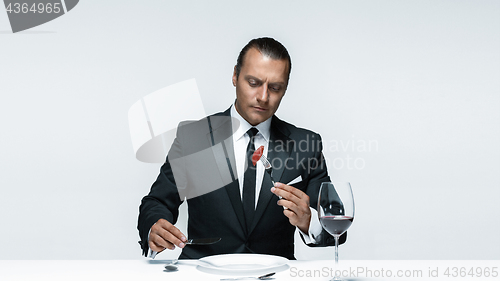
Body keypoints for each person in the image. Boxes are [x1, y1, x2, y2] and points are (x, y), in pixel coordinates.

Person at [137, 37, 345, 260]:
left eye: (275, 87)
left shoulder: (307, 145)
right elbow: (157, 201)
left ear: (285, 89)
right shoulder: (193, 138)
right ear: (235, 76)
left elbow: (336, 225)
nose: (263, 97)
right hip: (204, 275)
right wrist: (154, 228)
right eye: (254, 83)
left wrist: (310, 220)